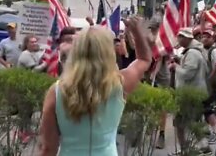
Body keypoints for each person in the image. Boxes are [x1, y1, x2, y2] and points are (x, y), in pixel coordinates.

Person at [38, 17, 152, 156]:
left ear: (76, 51)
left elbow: (48, 148)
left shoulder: (56, 92)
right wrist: (136, 30)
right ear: (108, 53)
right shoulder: (120, 84)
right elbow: (144, 59)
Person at [169, 28, 212, 156]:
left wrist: (176, 67)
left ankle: (193, 148)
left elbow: (187, 74)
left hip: (190, 95)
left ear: (188, 39)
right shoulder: (191, 52)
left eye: (181, 37)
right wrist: (179, 61)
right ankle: (199, 147)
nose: (179, 39)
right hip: (190, 94)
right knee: (190, 122)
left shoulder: (193, 53)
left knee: (183, 122)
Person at [147, 20, 171, 149]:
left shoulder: (162, 41)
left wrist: (154, 73)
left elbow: (160, 60)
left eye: (154, 30)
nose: (152, 32)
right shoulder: (150, 40)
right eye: (151, 30)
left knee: (162, 107)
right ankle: (148, 127)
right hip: (149, 75)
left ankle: (161, 134)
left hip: (161, 77)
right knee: (149, 103)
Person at [200, 29, 216, 145]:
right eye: (203, 36)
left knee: (209, 109)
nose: (204, 38)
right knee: (205, 108)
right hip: (205, 83)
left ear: (213, 39)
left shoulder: (214, 51)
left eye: (208, 37)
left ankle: (215, 133)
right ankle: (209, 131)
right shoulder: (204, 50)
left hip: (210, 85)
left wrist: (210, 82)